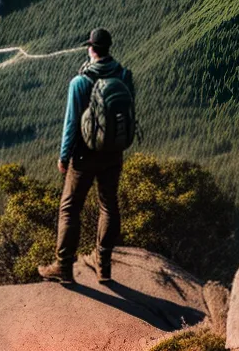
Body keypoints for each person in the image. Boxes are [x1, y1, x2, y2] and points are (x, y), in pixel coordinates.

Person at [38, 27, 135, 286]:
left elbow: (71, 124)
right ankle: (104, 268)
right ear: (108, 49)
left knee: (69, 209)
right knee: (108, 205)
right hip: (113, 154)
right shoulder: (125, 75)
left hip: (83, 156)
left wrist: (63, 156)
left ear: (91, 49)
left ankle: (64, 267)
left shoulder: (79, 82)